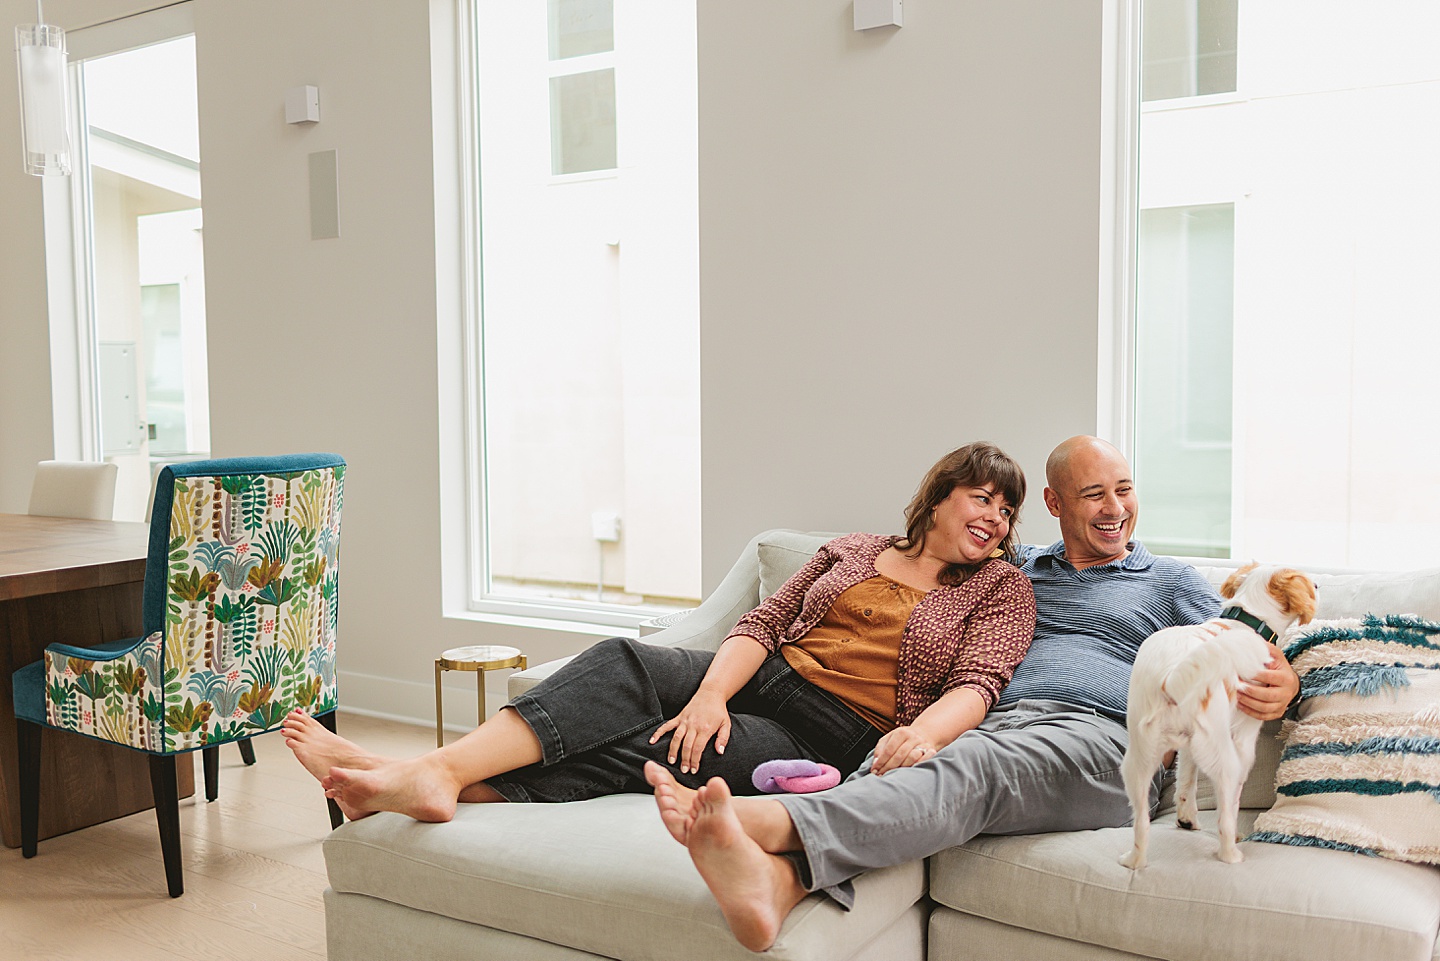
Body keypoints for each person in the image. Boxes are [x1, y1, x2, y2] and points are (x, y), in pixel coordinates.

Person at [645, 435, 1302, 952]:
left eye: (1125, 490)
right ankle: (778, 884)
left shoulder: (1166, 580)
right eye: (1094, 493)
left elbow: (1256, 636)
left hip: (1101, 738)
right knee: (894, 763)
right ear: (1053, 503)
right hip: (992, 722)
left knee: (974, 766)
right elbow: (921, 579)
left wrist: (1286, 681)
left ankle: (766, 822)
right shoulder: (1006, 572)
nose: (1114, 508)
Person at [282, 442, 1038, 823]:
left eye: (1007, 511)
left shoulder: (1001, 586)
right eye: (983, 498)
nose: (995, 519)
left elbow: (978, 683)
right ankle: (433, 773)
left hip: (841, 732)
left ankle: (419, 777)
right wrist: (712, 693)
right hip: (771, 676)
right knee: (625, 663)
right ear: (939, 497)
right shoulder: (854, 548)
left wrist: (924, 735)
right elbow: (766, 622)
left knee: (664, 749)